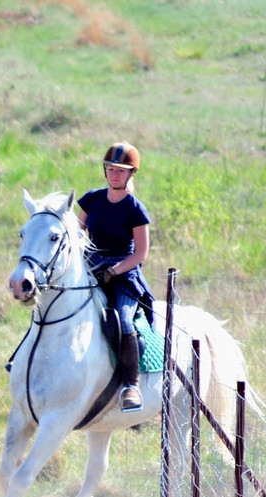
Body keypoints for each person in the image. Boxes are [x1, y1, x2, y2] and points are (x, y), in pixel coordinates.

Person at [77, 141, 153, 413]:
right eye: (110, 168)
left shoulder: (135, 208)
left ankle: (130, 385)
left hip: (124, 275)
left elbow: (141, 253)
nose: (114, 174)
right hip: (92, 267)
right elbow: (77, 234)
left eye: (121, 170)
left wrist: (114, 270)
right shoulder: (92, 199)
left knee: (121, 320)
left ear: (131, 174)